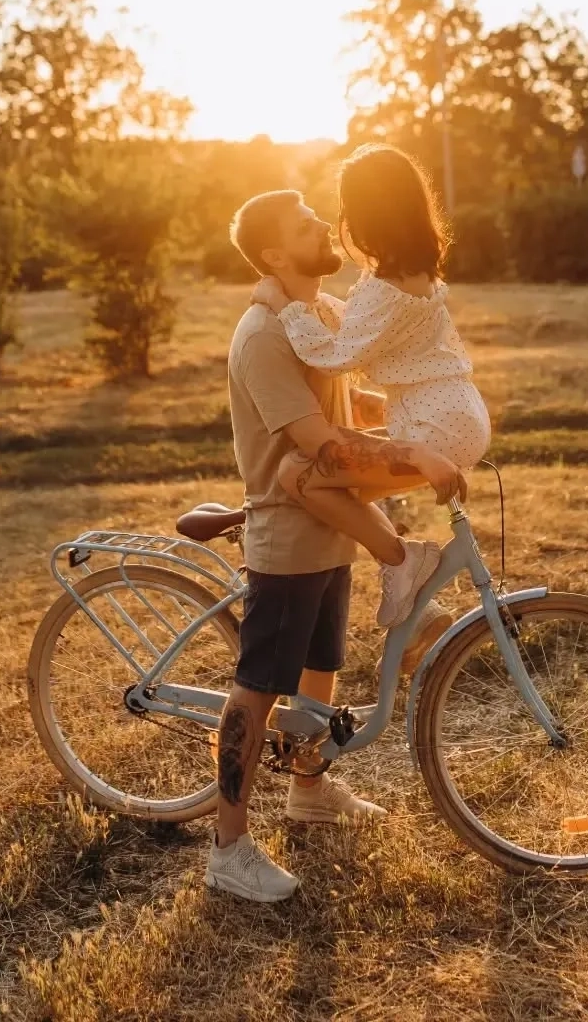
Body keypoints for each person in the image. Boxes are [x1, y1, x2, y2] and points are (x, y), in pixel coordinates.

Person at [206, 189, 468, 903]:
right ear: (273, 254)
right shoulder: (262, 334)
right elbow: (317, 446)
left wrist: (432, 417)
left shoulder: (320, 314)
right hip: (289, 535)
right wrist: (410, 451)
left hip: (335, 524)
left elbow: (350, 410)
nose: (324, 225)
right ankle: (228, 848)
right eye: (304, 227)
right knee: (257, 691)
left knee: (320, 669)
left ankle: (309, 793)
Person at [252, 143, 491, 636]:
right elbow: (364, 327)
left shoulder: (382, 287)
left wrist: (286, 306)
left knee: (298, 472)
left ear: (365, 214)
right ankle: (409, 589)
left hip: (435, 428)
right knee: (344, 453)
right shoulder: (416, 274)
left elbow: (335, 355)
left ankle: (399, 559)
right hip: (456, 413)